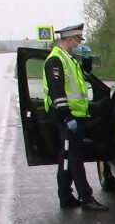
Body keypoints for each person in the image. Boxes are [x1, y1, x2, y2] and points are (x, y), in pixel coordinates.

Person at [43, 23, 107, 211]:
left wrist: (87, 60)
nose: (79, 43)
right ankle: (86, 197)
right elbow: (57, 92)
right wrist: (66, 116)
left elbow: (83, 75)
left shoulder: (68, 58)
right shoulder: (55, 60)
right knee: (74, 159)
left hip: (76, 115)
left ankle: (65, 196)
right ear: (69, 38)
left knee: (67, 158)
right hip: (68, 117)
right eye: (78, 40)